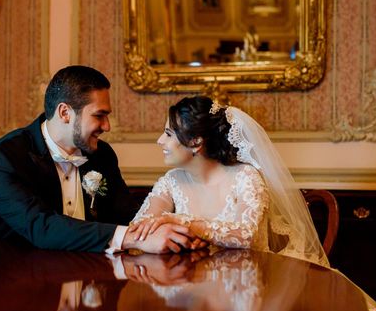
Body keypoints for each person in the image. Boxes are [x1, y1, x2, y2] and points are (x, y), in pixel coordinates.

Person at [0, 65, 197, 253]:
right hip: (23, 285)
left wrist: (171, 231)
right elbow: (40, 227)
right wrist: (133, 238)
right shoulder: (4, 158)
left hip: (93, 277)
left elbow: (126, 212)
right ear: (65, 113)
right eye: (99, 115)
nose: (107, 126)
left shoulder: (102, 154)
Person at [129, 96, 329, 267]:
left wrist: (180, 221)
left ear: (195, 142)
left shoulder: (246, 177)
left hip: (247, 285)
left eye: (169, 134)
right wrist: (180, 235)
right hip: (191, 288)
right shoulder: (171, 181)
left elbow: (246, 235)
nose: (159, 140)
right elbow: (138, 228)